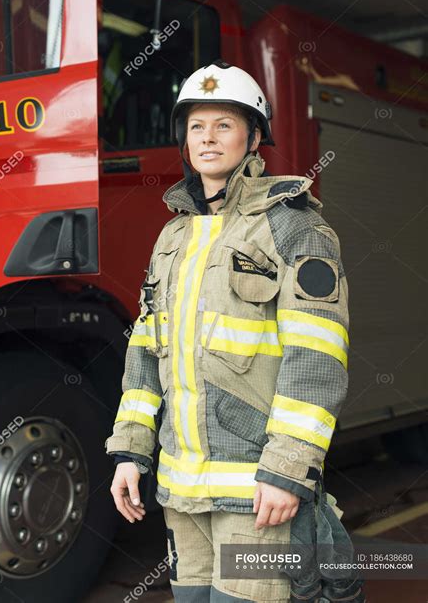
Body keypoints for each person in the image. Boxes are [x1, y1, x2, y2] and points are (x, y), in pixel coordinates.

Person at [105, 60, 364, 602]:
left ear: (253, 138)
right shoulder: (172, 236)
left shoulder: (294, 225)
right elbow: (146, 353)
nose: (208, 138)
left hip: (257, 490)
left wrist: (288, 469)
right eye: (197, 126)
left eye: (224, 124)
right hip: (181, 493)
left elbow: (315, 357)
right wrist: (131, 452)